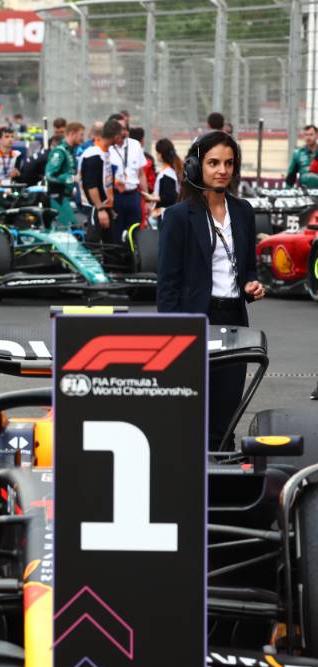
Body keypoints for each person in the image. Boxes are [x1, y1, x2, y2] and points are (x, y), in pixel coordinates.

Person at [157, 131, 263, 449]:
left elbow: (247, 267)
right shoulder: (178, 217)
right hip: (194, 321)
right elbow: (168, 285)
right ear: (195, 166)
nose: (222, 170)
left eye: (229, 163)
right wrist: (173, 333)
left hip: (233, 319)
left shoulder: (243, 211)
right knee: (191, 414)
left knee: (226, 415)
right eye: (214, 162)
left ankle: (221, 485)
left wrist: (250, 284)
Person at [79, 118, 121, 244]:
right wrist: (100, 210)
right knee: (94, 243)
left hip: (105, 206)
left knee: (110, 243)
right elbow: (92, 186)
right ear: (116, 136)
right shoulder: (93, 155)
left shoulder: (105, 151)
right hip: (95, 207)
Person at [108, 116, 146, 240]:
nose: (122, 132)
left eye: (124, 129)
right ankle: (117, 258)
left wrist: (147, 198)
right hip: (115, 197)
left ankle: (134, 258)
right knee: (116, 233)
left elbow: (141, 174)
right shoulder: (107, 148)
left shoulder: (135, 145)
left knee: (135, 232)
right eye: (118, 129)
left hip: (133, 196)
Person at [47, 122, 84, 228]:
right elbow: (50, 175)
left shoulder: (72, 151)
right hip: (58, 197)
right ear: (72, 133)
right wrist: (72, 178)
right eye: (81, 135)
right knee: (69, 229)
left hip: (67, 196)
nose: (82, 138)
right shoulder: (59, 152)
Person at [146, 139, 182, 217]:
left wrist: (151, 198)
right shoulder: (171, 171)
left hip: (165, 215)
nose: (156, 155)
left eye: (157, 152)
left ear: (161, 154)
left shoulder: (167, 174)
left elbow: (170, 197)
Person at [284, 124, 318, 188]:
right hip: (304, 192)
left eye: (311, 134)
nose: (308, 137)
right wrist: (286, 192)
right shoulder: (298, 153)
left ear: (316, 135)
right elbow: (291, 175)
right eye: (306, 135)